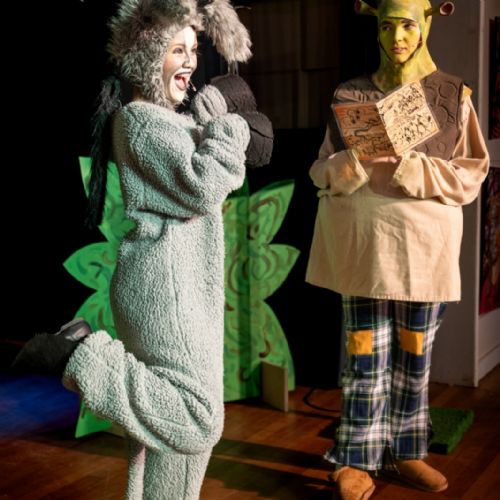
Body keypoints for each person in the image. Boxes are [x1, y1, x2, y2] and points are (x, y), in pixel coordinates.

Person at [12, 0, 252, 498]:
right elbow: (203, 186)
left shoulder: (168, 121)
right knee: (197, 420)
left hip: (187, 285)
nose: (190, 61)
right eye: (177, 50)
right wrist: (229, 128)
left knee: (178, 446)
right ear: (146, 57)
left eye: (193, 49)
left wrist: (209, 126)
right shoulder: (141, 120)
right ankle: (80, 356)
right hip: (164, 283)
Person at [305, 1, 490, 498]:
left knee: (414, 351)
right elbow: (321, 169)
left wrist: (413, 166)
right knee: (363, 351)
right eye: (387, 26)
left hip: (424, 248)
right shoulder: (350, 94)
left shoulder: (452, 94)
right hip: (364, 247)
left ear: (427, 22)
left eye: (407, 24)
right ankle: (355, 458)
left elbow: (472, 172)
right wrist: (356, 161)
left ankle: (405, 451)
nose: (397, 37)